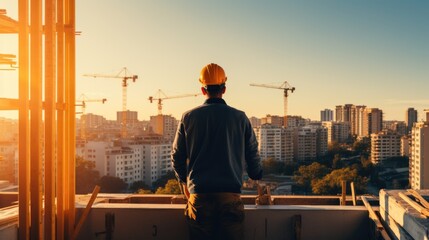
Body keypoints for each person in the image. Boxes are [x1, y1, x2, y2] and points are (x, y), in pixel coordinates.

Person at [171, 63, 263, 240]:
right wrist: (256, 174)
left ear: (203, 90)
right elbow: (252, 152)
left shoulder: (188, 117)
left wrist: (184, 182)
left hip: (199, 196)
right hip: (230, 196)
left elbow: (177, 155)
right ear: (224, 89)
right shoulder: (240, 117)